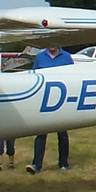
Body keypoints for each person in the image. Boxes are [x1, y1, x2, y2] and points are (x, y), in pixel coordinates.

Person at [28, 44, 75, 173]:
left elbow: (74, 77)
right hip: (44, 101)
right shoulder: (40, 57)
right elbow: (34, 77)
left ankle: (63, 164)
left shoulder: (66, 57)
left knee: (62, 134)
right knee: (41, 133)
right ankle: (36, 164)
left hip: (61, 100)